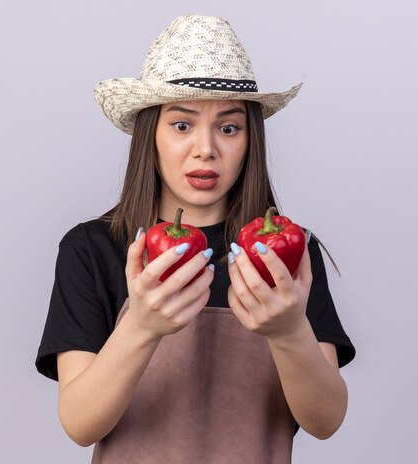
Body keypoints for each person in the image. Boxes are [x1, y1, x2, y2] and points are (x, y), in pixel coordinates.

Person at [35, 14, 356, 463]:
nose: (206, 148)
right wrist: (142, 326)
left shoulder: (288, 253)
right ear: (152, 135)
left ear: (251, 140)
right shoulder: (92, 249)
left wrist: (288, 332)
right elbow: (79, 423)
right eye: (182, 125)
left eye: (229, 127)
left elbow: (326, 421)